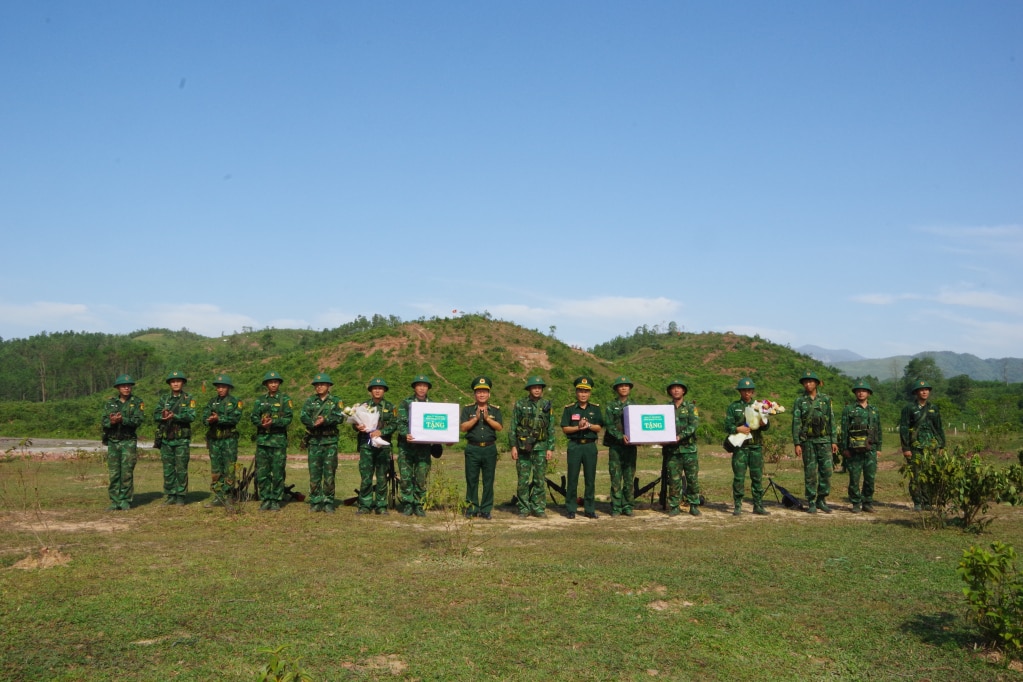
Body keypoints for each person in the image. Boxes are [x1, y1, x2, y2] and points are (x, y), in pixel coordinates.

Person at [791, 371, 837, 514]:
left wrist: (834, 440)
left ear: (817, 383)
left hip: (824, 440)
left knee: (827, 472)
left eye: (811, 381)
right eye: (805, 382)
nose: (808, 384)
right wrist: (797, 443)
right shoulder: (800, 401)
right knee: (810, 473)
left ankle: (821, 499)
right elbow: (796, 423)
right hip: (808, 442)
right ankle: (811, 501)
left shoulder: (825, 399)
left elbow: (831, 420)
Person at [509, 376, 555, 518]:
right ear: (529, 389)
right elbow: (513, 427)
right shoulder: (520, 404)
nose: (537, 390)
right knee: (523, 480)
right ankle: (523, 508)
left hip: (541, 447)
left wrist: (550, 448)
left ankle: (538, 508)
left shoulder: (547, 405)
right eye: (534, 387)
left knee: (539, 479)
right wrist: (513, 446)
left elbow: (551, 427)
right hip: (523, 447)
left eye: (539, 387)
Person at [300, 373, 345, 513]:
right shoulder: (309, 401)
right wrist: (314, 422)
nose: (319, 387)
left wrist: (325, 419)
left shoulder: (336, 401)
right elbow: (303, 416)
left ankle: (328, 501)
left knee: (329, 473)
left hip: (330, 441)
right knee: (314, 473)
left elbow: (340, 417)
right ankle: (315, 500)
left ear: (329, 386)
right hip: (314, 441)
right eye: (317, 385)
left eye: (322, 384)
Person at [725, 377, 770, 516]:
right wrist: (737, 429)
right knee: (739, 477)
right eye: (744, 390)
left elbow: (767, 426)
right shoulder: (733, 407)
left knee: (757, 477)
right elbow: (727, 426)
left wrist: (764, 423)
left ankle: (758, 505)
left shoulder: (759, 406)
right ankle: (738, 505)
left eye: (749, 390)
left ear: (752, 391)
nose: (747, 393)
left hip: (755, 446)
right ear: (740, 391)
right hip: (741, 447)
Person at [460, 376, 503, 519]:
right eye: (479, 392)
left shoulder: (495, 410)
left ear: (489, 394)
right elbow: (463, 428)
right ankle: (472, 508)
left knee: (488, 480)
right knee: (471, 479)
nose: (482, 394)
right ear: (475, 394)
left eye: (485, 392)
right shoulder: (468, 410)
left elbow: (499, 427)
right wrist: (476, 418)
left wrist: (488, 418)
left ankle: (486, 509)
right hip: (473, 449)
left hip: (489, 449)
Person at [561, 376, 604, 519]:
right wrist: (578, 428)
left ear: (589, 393)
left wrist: (589, 426)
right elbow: (565, 429)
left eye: (586, 391)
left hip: (590, 447)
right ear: (576, 392)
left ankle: (590, 509)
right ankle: (571, 509)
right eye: (580, 391)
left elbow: (599, 427)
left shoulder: (595, 409)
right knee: (572, 478)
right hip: (575, 446)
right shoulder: (569, 409)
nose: (583, 394)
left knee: (590, 479)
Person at [899, 379, 946, 511]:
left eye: (926, 389)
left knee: (930, 474)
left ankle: (928, 502)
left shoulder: (933, 408)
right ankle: (918, 502)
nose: (924, 392)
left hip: (931, 447)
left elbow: (939, 428)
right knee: (916, 475)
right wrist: (906, 448)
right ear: (916, 392)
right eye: (921, 390)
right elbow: (904, 428)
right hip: (916, 447)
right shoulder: (909, 408)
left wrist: (942, 445)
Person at [250, 371, 293, 511]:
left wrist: (273, 422)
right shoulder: (260, 400)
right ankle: (265, 499)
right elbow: (253, 417)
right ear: (266, 385)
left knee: (278, 472)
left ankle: (275, 499)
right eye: (270, 382)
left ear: (279, 384)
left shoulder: (285, 400)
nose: (273, 384)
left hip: (278, 441)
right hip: (263, 441)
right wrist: (261, 423)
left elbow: (288, 419)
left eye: (276, 382)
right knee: (262, 472)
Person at [101, 374, 145, 510]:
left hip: (128, 441)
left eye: (128, 386)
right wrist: (112, 422)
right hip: (113, 441)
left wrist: (123, 420)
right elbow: (104, 421)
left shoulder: (137, 402)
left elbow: (138, 420)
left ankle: (125, 500)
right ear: (118, 388)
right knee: (114, 473)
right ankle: (115, 501)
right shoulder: (110, 403)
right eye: (123, 386)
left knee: (126, 472)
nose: (126, 388)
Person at [354, 377, 398, 515]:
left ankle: (381, 505)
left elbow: (394, 424)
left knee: (382, 476)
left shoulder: (390, 407)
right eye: (375, 388)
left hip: (383, 445)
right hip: (366, 445)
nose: (377, 390)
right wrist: (358, 426)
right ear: (371, 391)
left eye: (380, 388)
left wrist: (381, 431)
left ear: (384, 390)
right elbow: (355, 424)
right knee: (366, 475)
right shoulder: (363, 406)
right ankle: (365, 505)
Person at [154, 370, 196, 505]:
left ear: (182, 383)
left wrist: (175, 416)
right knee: (168, 469)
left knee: (181, 468)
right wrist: (162, 416)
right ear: (169, 384)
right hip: (166, 439)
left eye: (178, 381)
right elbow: (155, 415)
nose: (176, 383)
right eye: (173, 381)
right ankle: (170, 495)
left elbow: (191, 416)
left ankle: (181, 496)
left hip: (181, 440)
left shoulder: (189, 399)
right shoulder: (164, 399)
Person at [201, 374, 243, 506]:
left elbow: (235, 419)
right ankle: (218, 496)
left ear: (229, 388)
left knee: (229, 468)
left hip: (229, 440)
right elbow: (204, 418)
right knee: (216, 470)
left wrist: (220, 419)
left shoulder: (236, 402)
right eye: (218, 387)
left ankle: (229, 496)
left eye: (223, 387)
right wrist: (209, 420)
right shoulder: (212, 402)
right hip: (215, 440)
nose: (220, 389)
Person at [840, 381, 882, 513]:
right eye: (858, 390)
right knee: (854, 477)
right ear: (855, 393)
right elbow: (844, 430)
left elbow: (878, 429)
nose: (861, 392)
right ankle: (856, 503)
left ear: (868, 393)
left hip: (871, 449)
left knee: (870, 477)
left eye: (864, 390)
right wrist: (844, 448)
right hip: (854, 450)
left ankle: (867, 502)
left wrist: (879, 448)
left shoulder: (874, 410)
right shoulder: (849, 409)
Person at [396, 374, 435, 516]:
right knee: (405, 477)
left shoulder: (432, 405)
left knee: (421, 477)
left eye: (424, 386)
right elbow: (400, 422)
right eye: (419, 385)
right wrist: (405, 433)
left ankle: (418, 504)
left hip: (423, 449)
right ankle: (407, 503)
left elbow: (436, 424)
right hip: (406, 447)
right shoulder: (405, 403)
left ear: (428, 388)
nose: (422, 388)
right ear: (414, 387)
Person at [664, 378, 701, 516]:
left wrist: (680, 436)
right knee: (673, 479)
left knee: (692, 479)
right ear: (670, 391)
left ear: (683, 390)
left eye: (679, 387)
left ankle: (694, 505)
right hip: (672, 450)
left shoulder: (691, 407)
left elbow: (693, 425)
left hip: (689, 449)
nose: (676, 390)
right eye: (673, 388)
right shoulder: (665, 408)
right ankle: (674, 505)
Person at [603, 376, 637, 516]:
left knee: (629, 477)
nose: (623, 388)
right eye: (620, 386)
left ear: (629, 388)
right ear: (617, 389)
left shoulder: (635, 406)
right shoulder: (611, 406)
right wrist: (620, 436)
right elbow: (609, 425)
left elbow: (639, 425)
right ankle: (616, 506)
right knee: (616, 477)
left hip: (631, 447)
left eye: (626, 386)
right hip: (616, 446)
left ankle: (628, 506)